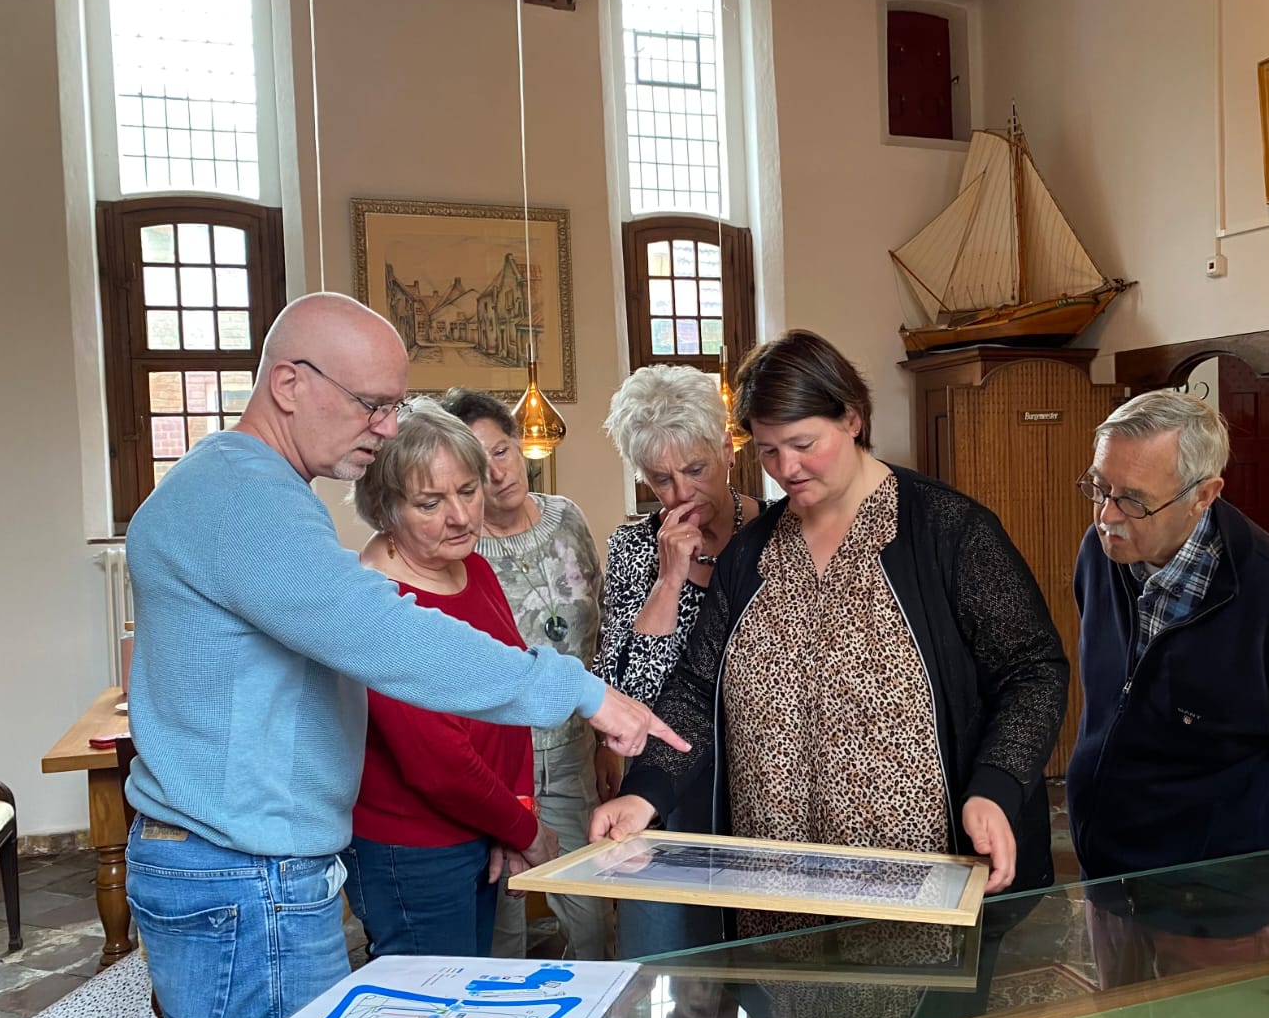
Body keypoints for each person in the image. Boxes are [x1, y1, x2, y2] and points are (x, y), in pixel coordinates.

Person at [122, 293, 683, 1018]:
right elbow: (386, 633)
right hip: (246, 874)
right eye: (371, 404)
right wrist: (580, 690)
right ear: (289, 384)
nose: (386, 427)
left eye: (393, 406)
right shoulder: (243, 499)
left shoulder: (245, 488)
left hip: (251, 866)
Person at [593, 330, 1070, 932]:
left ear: (852, 417)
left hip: (919, 875)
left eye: (802, 444)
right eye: (768, 451)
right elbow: (695, 688)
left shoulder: (949, 531)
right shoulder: (752, 553)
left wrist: (996, 787)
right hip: (772, 883)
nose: (786, 469)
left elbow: (1032, 670)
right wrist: (648, 790)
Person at [1066, 389, 1269, 987]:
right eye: (1099, 487)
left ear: (1205, 495)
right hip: (1108, 885)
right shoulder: (1101, 554)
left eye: (1132, 499)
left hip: (1212, 918)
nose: (1106, 515)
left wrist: (1247, 863)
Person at [338, 399, 555, 958]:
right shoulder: (376, 603)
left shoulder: (473, 566)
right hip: (413, 848)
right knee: (431, 1005)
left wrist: (518, 809)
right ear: (385, 509)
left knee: (471, 990)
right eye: (430, 502)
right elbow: (436, 764)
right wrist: (527, 833)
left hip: (484, 824)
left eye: (468, 490)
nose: (461, 517)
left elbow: (513, 688)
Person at [595, 363, 766, 961]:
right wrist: (669, 580)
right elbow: (622, 694)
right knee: (665, 966)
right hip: (662, 790)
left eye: (695, 469)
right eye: (661, 480)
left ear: (727, 449)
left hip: (759, 785)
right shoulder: (635, 547)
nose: (682, 493)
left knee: (756, 968)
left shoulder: (776, 533)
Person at [440, 387, 611, 961]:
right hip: (494, 759)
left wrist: (603, 744)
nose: (496, 472)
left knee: (591, 916)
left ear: (519, 446)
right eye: (476, 464)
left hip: (571, 750)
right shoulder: (458, 550)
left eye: (502, 450)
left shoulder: (568, 519)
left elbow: (600, 628)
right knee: (501, 923)